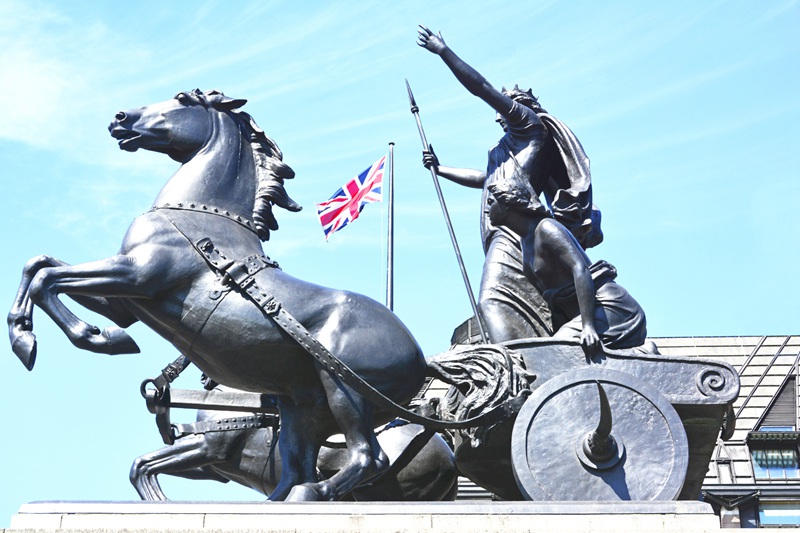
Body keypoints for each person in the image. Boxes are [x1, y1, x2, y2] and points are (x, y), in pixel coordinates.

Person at [417, 26, 599, 343]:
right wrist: (441, 168)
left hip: (518, 232)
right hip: (501, 231)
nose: (501, 112)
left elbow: (482, 88)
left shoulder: (531, 127)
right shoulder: (505, 148)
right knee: (500, 303)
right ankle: (527, 355)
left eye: (509, 104)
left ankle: (518, 365)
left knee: (492, 301)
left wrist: (443, 51)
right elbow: (484, 180)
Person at [486, 176, 652, 355]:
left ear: (508, 202)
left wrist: (587, 326)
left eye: (490, 201)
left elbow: (580, 269)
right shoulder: (524, 242)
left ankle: (643, 353)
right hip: (580, 316)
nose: (486, 209)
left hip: (609, 310)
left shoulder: (546, 228)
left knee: (556, 352)